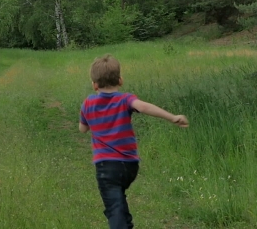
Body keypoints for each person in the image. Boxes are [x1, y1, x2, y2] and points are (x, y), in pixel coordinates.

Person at [79, 54, 188, 229]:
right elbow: (143, 106)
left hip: (106, 167)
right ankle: (124, 221)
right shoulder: (126, 99)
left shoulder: (88, 103)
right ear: (120, 80)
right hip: (129, 166)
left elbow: (82, 129)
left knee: (114, 207)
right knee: (117, 201)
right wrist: (172, 117)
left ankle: (120, 221)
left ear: (94, 85)